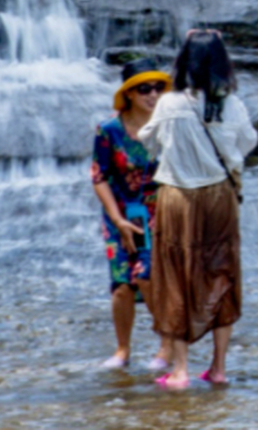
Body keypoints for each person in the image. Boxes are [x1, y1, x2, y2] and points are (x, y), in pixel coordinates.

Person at [139, 29, 257, 389]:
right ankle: (218, 368)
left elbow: (148, 143)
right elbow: (248, 142)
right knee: (221, 273)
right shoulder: (233, 105)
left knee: (175, 276)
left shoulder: (170, 104)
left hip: (177, 197)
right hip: (219, 197)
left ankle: (181, 370)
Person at [91, 58, 173, 370]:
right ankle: (123, 349)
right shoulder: (109, 130)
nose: (152, 94)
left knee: (148, 276)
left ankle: (166, 344)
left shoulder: (169, 125)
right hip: (119, 215)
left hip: (158, 214)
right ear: (128, 94)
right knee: (122, 286)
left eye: (158, 87)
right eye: (144, 89)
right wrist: (117, 220)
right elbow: (98, 176)